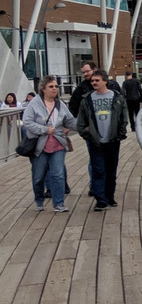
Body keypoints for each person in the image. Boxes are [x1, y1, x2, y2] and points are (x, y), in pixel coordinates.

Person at [23, 76, 77, 213]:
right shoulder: (34, 104)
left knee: (58, 174)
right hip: (39, 147)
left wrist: (85, 127)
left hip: (58, 144)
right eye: (51, 86)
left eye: (56, 86)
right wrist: (45, 130)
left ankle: (58, 203)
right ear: (43, 89)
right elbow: (27, 122)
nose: (55, 89)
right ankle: (39, 200)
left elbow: (69, 120)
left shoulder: (60, 104)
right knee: (38, 177)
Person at [76, 69, 127, 211]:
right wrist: (87, 135)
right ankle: (101, 200)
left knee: (111, 170)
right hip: (95, 142)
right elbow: (80, 121)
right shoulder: (87, 99)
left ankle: (109, 196)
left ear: (105, 81)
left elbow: (124, 116)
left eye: (97, 80)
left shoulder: (116, 97)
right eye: (92, 81)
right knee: (98, 170)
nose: (94, 83)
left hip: (112, 140)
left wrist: (120, 133)